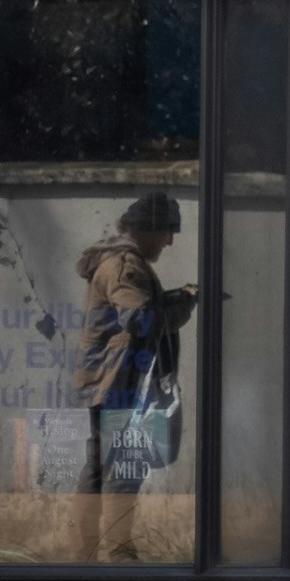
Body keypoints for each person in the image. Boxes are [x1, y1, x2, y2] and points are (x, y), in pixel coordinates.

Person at [72, 192, 195, 499]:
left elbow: (139, 310)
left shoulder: (122, 261)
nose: (169, 242)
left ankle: (89, 542)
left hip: (114, 381)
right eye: (168, 231)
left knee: (110, 463)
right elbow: (141, 321)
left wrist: (176, 297)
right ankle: (106, 544)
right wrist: (186, 305)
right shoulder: (124, 264)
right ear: (149, 229)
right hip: (118, 384)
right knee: (125, 466)